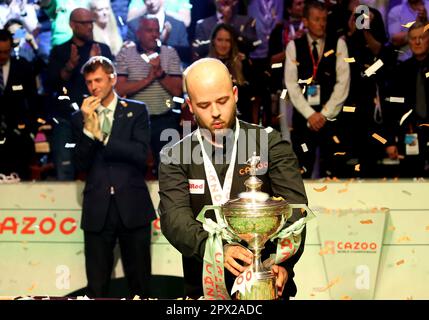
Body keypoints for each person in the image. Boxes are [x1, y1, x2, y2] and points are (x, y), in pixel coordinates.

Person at [158, 58, 308, 299]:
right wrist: (217, 249)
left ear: (235, 94)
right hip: (205, 291)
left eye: (222, 101)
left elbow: (296, 209)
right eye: (204, 105)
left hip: (269, 286)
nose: (216, 112)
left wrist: (283, 264)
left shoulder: (270, 143)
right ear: (190, 105)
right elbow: (174, 220)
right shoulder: (174, 156)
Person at [71, 56, 156, 298]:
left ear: (112, 79)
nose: (93, 87)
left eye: (98, 80)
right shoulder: (80, 117)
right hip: (98, 209)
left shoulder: (137, 111)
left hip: (132, 206)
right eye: (88, 82)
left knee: (140, 284)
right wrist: (89, 130)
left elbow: (141, 155)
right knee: (97, 286)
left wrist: (104, 137)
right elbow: (79, 163)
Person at [284, 0, 350, 178]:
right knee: (302, 170)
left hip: (331, 119)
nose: (322, 23)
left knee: (334, 171)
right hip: (304, 120)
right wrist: (310, 114)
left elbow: (343, 83)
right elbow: (291, 85)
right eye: (317, 19)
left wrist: (324, 114)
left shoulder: (338, 45)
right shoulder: (293, 46)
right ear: (305, 21)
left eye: (324, 19)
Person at [47, 8, 113, 180]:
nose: (90, 27)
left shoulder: (102, 50)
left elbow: (110, 83)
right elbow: (53, 84)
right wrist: (70, 65)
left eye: (91, 22)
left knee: (102, 168)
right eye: (84, 23)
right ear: (72, 25)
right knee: (65, 168)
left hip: (98, 118)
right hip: (67, 118)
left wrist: (96, 63)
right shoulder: (60, 51)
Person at [115, 14, 182, 178]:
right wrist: (148, 79)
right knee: (134, 169)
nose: (154, 34)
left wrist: (160, 74)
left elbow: (178, 91)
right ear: (138, 33)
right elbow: (119, 88)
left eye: (156, 31)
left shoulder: (170, 53)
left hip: (165, 119)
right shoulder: (125, 54)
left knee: (169, 170)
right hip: (134, 122)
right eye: (148, 30)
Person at [383, 21, 429, 177]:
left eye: (422, 37)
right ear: (408, 42)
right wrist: (390, 141)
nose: (417, 42)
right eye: (413, 38)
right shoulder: (401, 71)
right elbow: (391, 109)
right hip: (410, 136)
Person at [0, 28, 38, 180]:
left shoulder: (23, 66)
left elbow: (33, 100)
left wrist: (31, 130)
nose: (2, 56)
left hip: (18, 135)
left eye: (5, 52)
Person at [208, 23, 252, 123]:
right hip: (214, 120)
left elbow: (249, 97)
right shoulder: (205, 65)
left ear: (232, 43)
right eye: (220, 40)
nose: (223, 45)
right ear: (213, 41)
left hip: (240, 120)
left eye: (227, 40)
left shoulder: (242, 63)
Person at [126, 0, 190, 65]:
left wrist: (163, 43)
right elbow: (129, 53)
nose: (151, 2)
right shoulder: (134, 25)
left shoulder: (178, 25)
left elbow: (185, 54)